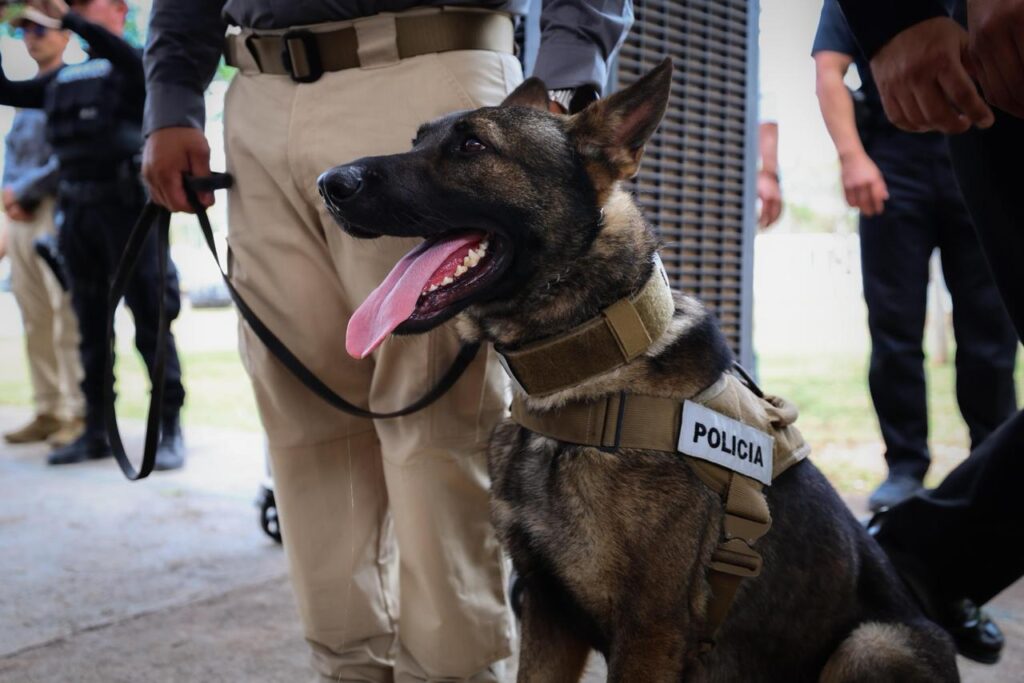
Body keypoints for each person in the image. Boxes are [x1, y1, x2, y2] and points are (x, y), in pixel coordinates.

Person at [141, 2, 632, 680]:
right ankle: (348, 666)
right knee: (300, 415)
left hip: (431, 69)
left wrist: (568, 73)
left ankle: (450, 671)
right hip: (254, 93)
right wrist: (172, 98)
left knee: (437, 416)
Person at [837, 0, 1024, 666]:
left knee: (988, 342)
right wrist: (894, 13)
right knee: (895, 330)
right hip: (990, 81)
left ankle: (915, 558)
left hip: (967, 121)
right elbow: (831, 69)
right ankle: (909, 500)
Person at [811, 0, 1017, 513]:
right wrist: (853, 157)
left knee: (991, 327)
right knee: (894, 325)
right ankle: (905, 465)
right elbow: (828, 69)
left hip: (984, 136)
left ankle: (993, 462)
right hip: (894, 156)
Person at [0, 0, 186, 470]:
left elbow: (124, 58)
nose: (76, 10)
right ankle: (97, 431)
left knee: (152, 324)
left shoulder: (138, 62)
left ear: (120, 10)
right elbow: (5, 89)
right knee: (90, 329)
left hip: (130, 213)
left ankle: (168, 428)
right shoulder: (65, 79)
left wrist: (69, 19)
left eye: (86, 4)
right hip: (77, 213)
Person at [1, 9, 86, 449]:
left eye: (39, 29)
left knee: (65, 317)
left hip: (57, 210)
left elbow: (67, 154)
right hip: (19, 216)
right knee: (33, 316)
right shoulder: (25, 93)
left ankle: (77, 412)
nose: (31, 38)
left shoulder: (77, 81)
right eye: (24, 32)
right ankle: (48, 408)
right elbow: (14, 152)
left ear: (65, 34)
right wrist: (8, 198)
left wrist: (23, 190)